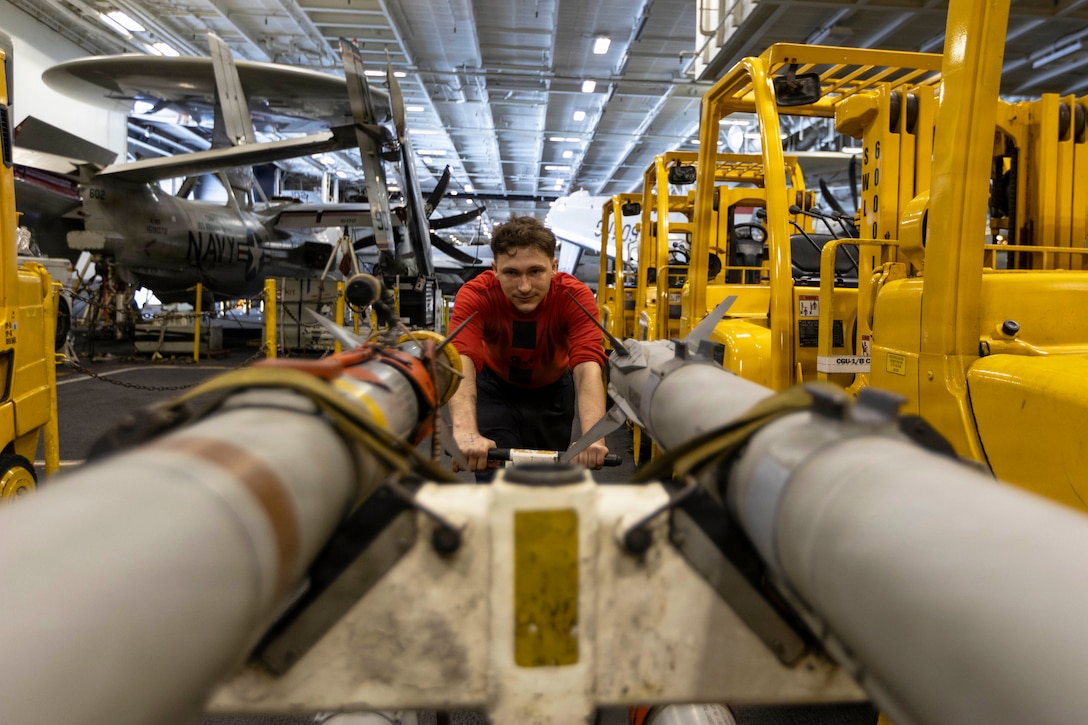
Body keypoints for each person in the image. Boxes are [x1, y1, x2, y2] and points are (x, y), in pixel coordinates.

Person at [447, 215, 609, 477]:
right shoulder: (476, 294)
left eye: (535, 271)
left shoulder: (575, 296)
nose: (524, 287)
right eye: (511, 273)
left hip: (553, 394)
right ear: (495, 269)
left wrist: (593, 436)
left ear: (554, 267)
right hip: (495, 390)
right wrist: (464, 431)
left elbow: (587, 365)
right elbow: (461, 359)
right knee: (495, 479)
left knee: (546, 482)